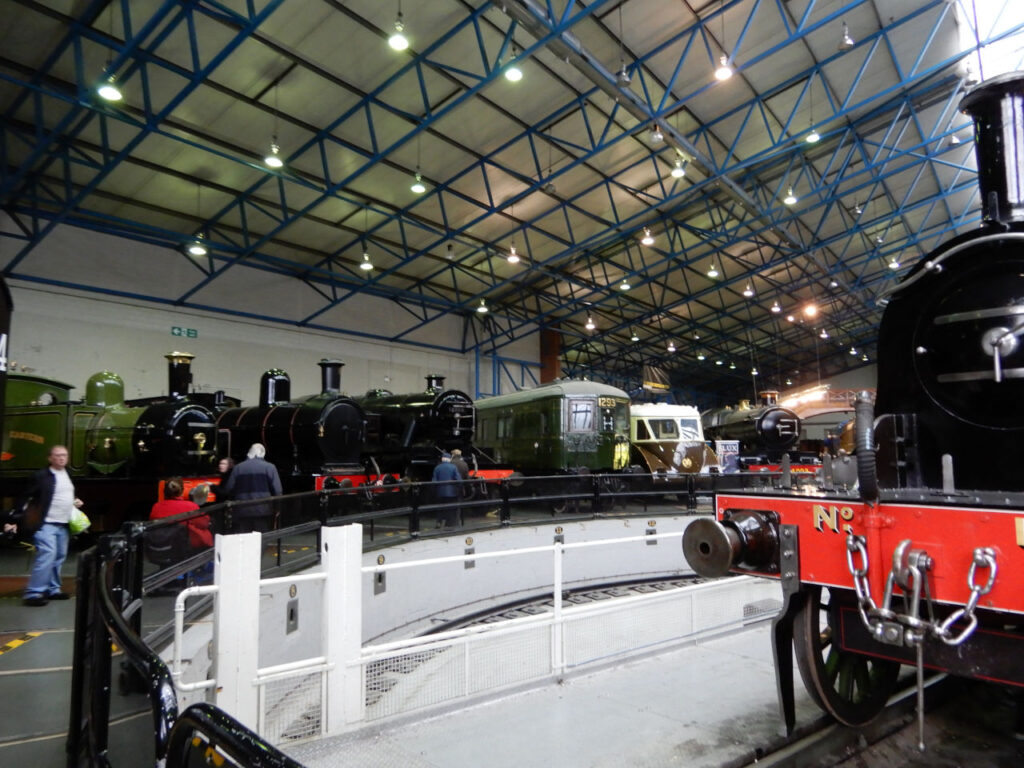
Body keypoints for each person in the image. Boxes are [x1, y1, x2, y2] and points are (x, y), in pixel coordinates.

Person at [11, 445, 82, 606]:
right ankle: (34, 593)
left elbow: (62, 494)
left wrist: (74, 501)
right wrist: (17, 517)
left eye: (64, 455)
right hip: (45, 523)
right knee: (47, 555)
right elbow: (25, 496)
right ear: (50, 458)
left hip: (63, 523)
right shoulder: (41, 476)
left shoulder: (67, 474)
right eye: (57, 455)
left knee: (58, 557)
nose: (61, 458)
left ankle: (53, 589)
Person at [220, 443, 283, 533]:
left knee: (244, 540)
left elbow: (229, 489)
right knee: (261, 539)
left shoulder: (238, 468)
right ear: (263, 454)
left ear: (249, 453)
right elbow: (278, 490)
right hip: (263, 510)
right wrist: (277, 508)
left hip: (241, 510)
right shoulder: (270, 467)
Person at [150, 477, 213, 550]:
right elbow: (204, 524)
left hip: (158, 547)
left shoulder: (156, 506)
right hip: (182, 549)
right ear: (182, 491)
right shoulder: (190, 506)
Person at [431, 451, 462, 528]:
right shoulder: (453, 467)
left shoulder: (437, 468)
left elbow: (434, 481)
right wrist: (459, 488)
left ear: (442, 459)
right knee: (450, 508)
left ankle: (439, 521)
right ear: (449, 459)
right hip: (451, 492)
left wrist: (434, 490)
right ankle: (449, 524)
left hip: (440, 492)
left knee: (440, 507)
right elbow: (459, 480)